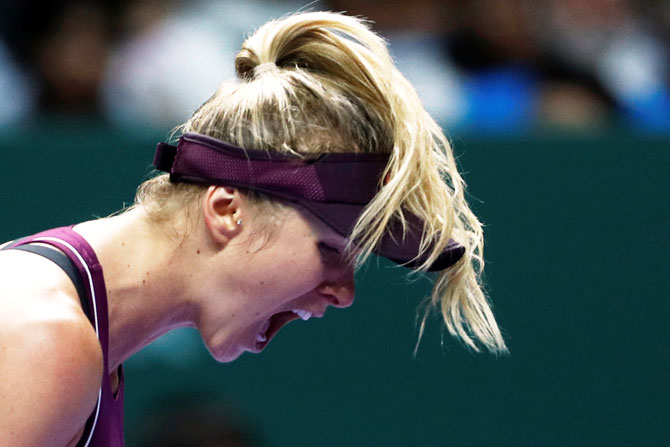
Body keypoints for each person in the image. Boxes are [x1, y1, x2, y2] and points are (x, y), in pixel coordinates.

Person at [0, 11, 507, 447]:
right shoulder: (45, 340)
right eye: (331, 247)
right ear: (225, 211)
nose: (344, 293)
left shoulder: (75, 341)